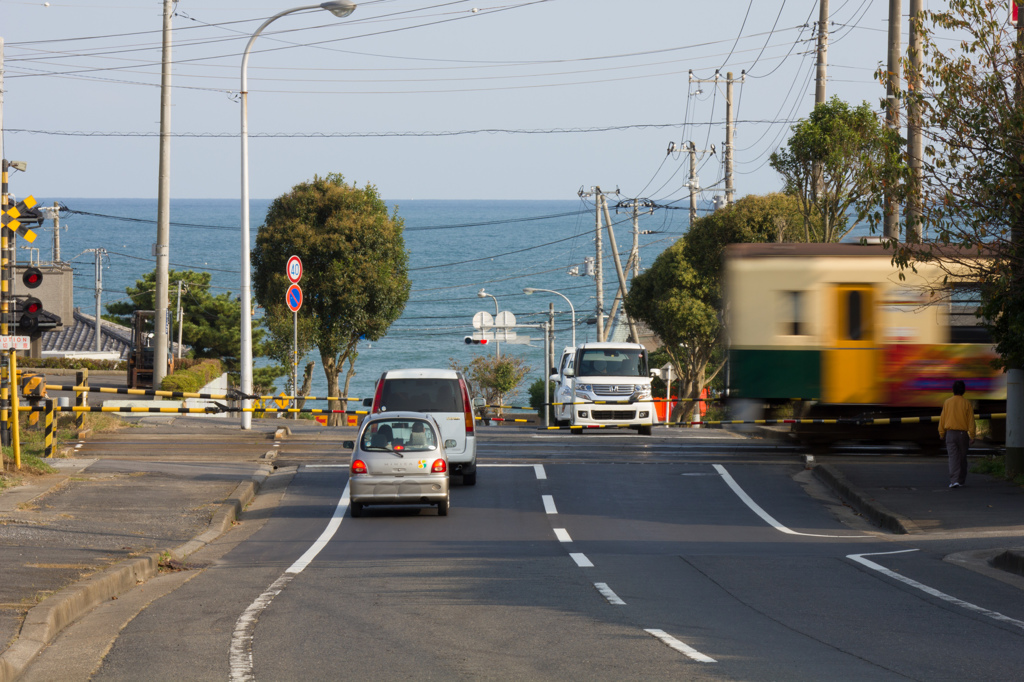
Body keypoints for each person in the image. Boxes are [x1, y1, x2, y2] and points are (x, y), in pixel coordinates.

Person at [938, 380, 975, 488]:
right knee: (962, 458)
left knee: (953, 457)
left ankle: (954, 481)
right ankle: (961, 480)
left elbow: (942, 419)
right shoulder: (967, 403)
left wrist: (941, 433)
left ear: (953, 390)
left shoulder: (947, 402)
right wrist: (972, 436)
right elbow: (971, 421)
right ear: (964, 390)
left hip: (950, 434)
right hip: (963, 434)